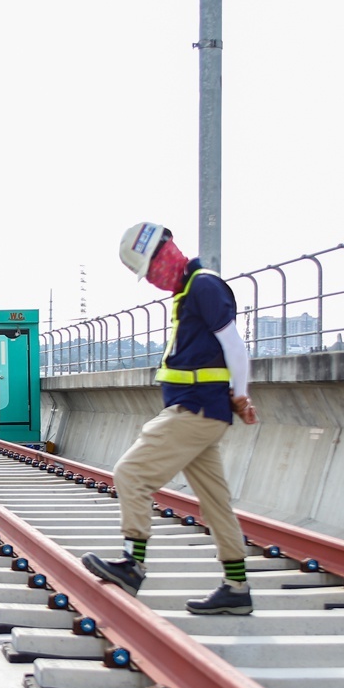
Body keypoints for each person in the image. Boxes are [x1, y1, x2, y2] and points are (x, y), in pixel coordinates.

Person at [82, 223, 258, 615]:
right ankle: (237, 587)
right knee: (215, 502)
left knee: (130, 473)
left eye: (155, 267)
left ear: (170, 251)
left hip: (194, 410)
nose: (155, 279)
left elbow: (234, 345)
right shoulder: (187, 293)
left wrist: (242, 396)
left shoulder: (204, 286)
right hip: (200, 410)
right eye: (149, 275)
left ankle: (132, 564)